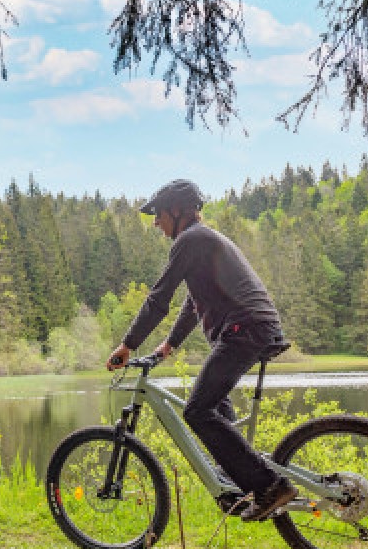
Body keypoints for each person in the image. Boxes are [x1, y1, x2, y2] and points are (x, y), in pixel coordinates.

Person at [106, 179, 296, 522]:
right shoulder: (202, 242)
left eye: (158, 214)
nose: (155, 222)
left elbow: (158, 299)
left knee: (197, 411)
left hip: (244, 331)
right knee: (216, 413)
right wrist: (167, 347)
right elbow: (193, 304)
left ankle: (270, 486)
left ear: (177, 211)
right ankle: (238, 488)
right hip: (248, 330)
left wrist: (127, 345)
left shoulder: (191, 239)